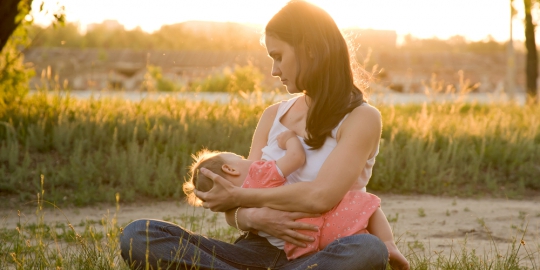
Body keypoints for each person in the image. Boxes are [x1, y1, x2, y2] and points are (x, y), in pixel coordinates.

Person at [120, 1, 408, 269]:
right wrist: (252, 216)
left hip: (318, 256)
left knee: (368, 249)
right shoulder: (273, 116)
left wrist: (240, 199)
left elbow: (321, 197)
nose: (273, 70)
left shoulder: (361, 118)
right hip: (252, 252)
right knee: (140, 235)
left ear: (309, 48)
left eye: (279, 56)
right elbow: (238, 208)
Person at [185, 130, 391, 260]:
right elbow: (295, 158)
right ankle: (388, 244)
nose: (246, 159)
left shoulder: (237, 197)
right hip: (313, 230)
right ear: (231, 170)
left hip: (298, 249)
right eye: (238, 158)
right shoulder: (260, 172)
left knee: (368, 248)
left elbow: (233, 213)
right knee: (365, 212)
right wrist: (291, 139)